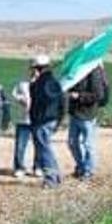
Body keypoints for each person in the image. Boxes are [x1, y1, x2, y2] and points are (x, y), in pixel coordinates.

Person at [66, 64, 107, 181]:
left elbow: (98, 95)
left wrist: (79, 96)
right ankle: (81, 166)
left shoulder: (94, 72)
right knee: (72, 142)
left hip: (88, 114)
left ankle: (88, 171)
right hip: (75, 113)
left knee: (88, 144)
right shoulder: (76, 70)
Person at [28, 55, 64, 188]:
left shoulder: (41, 83)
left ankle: (51, 180)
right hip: (51, 119)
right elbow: (61, 101)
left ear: (37, 68)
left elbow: (37, 101)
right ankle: (56, 176)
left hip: (42, 120)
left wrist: (33, 84)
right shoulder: (54, 82)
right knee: (47, 148)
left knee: (44, 150)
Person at [10, 65, 35, 178]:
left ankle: (38, 166)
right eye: (32, 69)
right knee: (20, 145)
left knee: (39, 144)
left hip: (37, 119)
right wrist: (21, 99)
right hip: (23, 119)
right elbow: (14, 94)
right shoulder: (22, 82)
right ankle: (19, 167)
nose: (34, 71)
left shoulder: (42, 83)